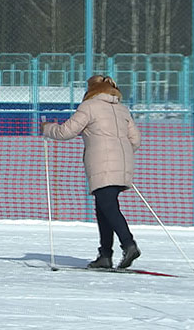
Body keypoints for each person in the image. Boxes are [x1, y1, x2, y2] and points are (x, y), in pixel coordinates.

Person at [41, 75, 142, 269]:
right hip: (124, 161)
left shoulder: (89, 107)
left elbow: (66, 132)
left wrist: (48, 128)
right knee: (103, 207)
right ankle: (105, 255)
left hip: (101, 162)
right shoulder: (122, 109)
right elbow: (135, 140)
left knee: (108, 206)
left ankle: (129, 245)